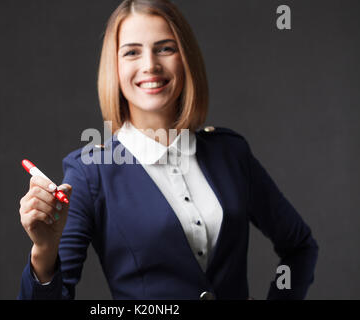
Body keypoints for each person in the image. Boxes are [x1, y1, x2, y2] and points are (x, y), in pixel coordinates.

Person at [17, 0, 318, 300]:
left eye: (165, 48)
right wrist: (44, 252)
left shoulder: (230, 153)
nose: (150, 64)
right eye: (132, 52)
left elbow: (300, 246)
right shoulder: (90, 172)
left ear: (185, 58)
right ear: (115, 67)